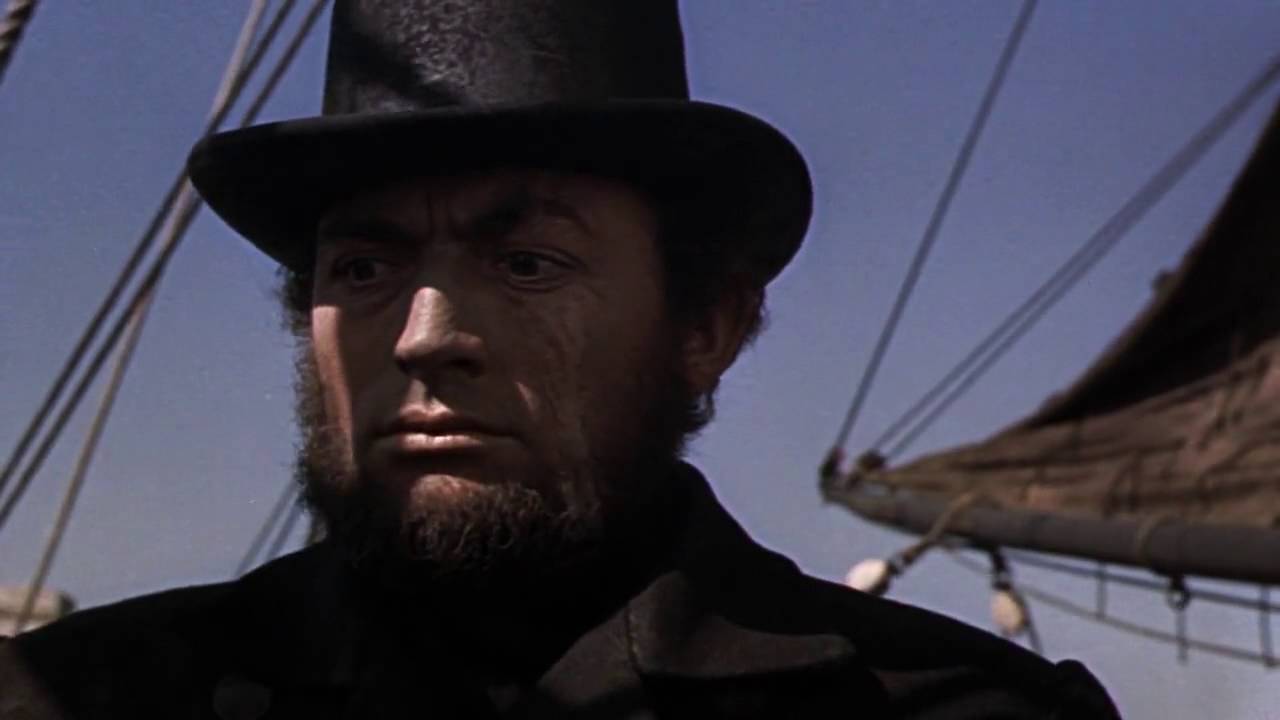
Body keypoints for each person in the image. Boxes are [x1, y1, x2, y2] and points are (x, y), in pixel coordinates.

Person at [0, 2, 1120, 717]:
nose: (425, 336)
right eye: (363, 268)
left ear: (706, 326)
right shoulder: (88, 696)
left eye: (527, 263)